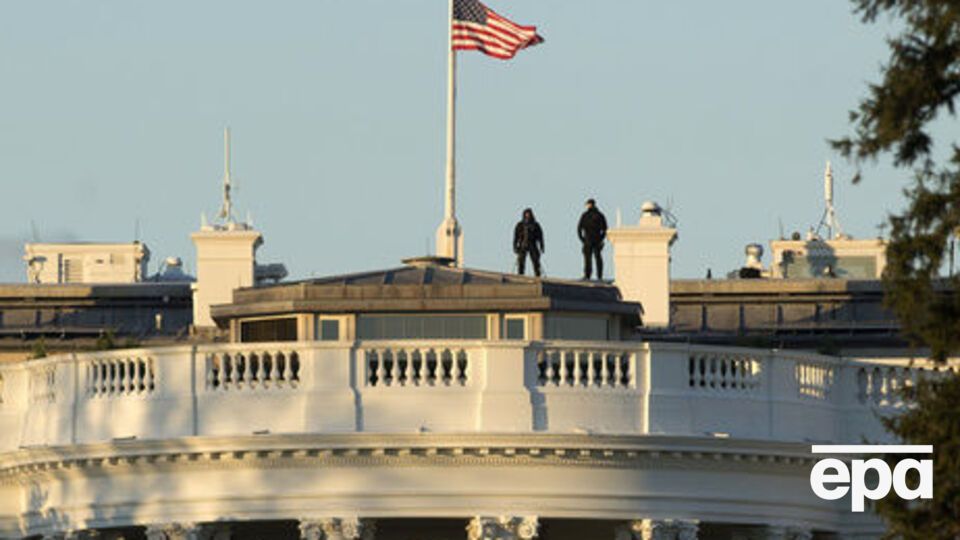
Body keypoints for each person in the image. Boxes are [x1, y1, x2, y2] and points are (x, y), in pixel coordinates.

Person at [577, 198, 608, 280]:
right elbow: (605, 229)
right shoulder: (600, 215)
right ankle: (599, 276)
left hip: (588, 240)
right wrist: (601, 238)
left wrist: (582, 239)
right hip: (596, 239)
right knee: (597, 257)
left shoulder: (585, 215)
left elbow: (579, 228)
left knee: (588, 258)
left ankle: (587, 275)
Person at [513, 208, 544, 277]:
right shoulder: (520, 225)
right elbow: (516, 237)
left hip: (532, 244)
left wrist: (542, 246)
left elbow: (540, 236)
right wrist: (515, 247)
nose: (527, 216)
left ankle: (537, 275)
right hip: (523, 244)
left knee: (535, 260)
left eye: (529, 214)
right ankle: (520, 275)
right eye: (526, 214)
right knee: (521, 261)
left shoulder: (535, 225)